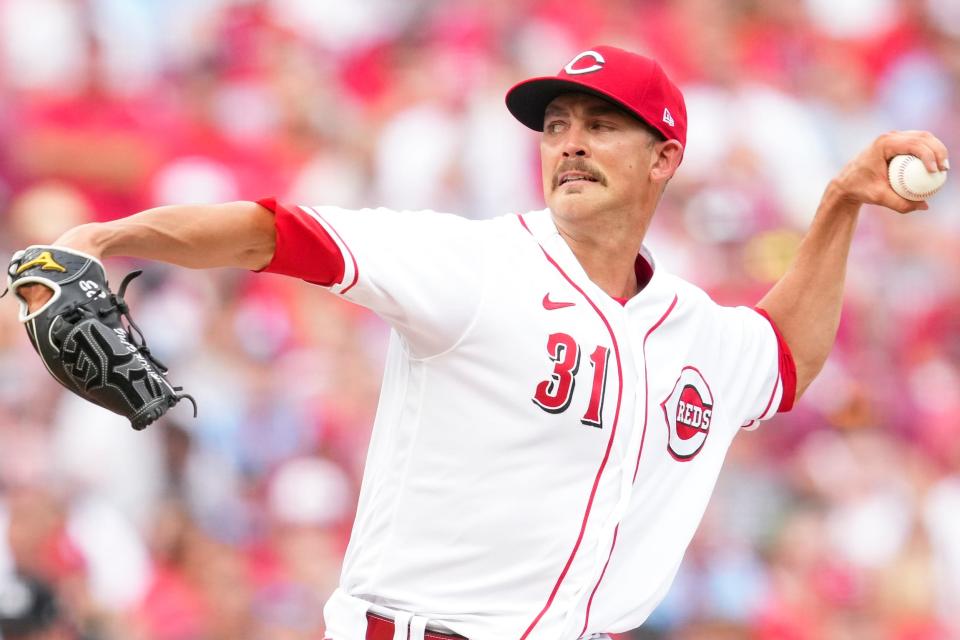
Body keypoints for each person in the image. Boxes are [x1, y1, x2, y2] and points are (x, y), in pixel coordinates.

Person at [12, 46, 949, 640]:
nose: (569, 143)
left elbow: (786, 358)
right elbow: (273, 230)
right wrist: (99, 240)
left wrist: (838, 205)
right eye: (557, 126)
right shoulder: (474, 263)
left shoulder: (698, 332)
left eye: (600, 125)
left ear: (666, 156)